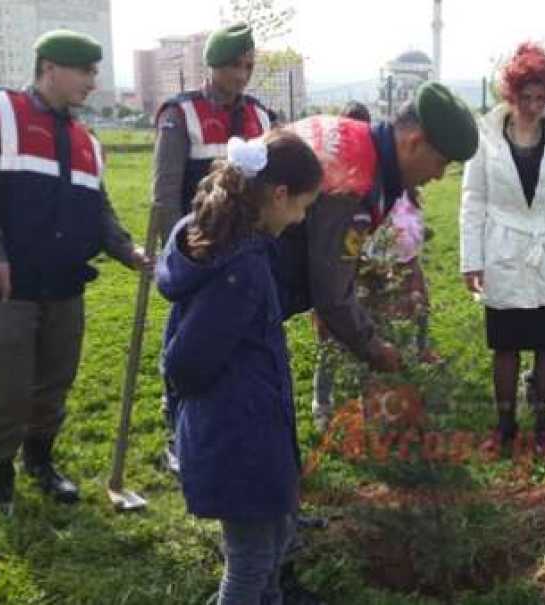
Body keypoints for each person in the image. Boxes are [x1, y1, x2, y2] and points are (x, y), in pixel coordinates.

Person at [0, 30, 150, 514]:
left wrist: (127, 250)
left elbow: (98, 208)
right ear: (50, 68)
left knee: (54, 379)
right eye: (86, 71)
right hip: (5, 281)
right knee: (5, 381)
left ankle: (40, 460)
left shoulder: (86, 138)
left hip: (61, 281)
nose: (92, 83)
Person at [157, 133, 325, 605]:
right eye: (302, 206)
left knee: (274, 538)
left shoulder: (228, 245)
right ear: (278, 195)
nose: (302, 217)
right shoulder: (239, 268)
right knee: (249, 561)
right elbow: (186, 362)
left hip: (253, 426)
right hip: (237, 434)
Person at [283, 82, 477, 381]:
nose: (439, 176)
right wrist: (374, 348)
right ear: (414, 142)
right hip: (241, 293)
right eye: (440, 162)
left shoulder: (354, 138)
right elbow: (331, 293)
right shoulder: (353, 183)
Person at [153, 23, 271, 473]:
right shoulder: (180, 115)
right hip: (199, 251)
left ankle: (230, 428)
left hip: (245, 255)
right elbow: (165, 193)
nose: (241, 75)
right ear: (213, 66)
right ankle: (176, 430)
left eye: (247, 66)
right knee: (185, 346)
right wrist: (177, 256)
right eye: (233, 66)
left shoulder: (261, 116)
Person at [460, 42, 545, 453]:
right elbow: (472, 200)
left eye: (541, 97)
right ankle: (504, 427)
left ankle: (543, 429)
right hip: (503, 251)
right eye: (525, 97)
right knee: (506, 345)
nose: (533, 106)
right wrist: (471, 260)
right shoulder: (485, 136)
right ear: (510, 95)